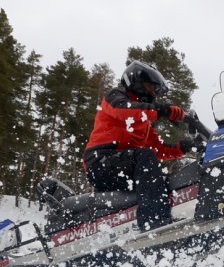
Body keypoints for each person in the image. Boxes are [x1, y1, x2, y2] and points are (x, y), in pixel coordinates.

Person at [83, 60, 194, 231]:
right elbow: (126, 110)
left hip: (122, 164)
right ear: (136, 83)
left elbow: (158, 149)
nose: (153, 92)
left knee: (157, 175)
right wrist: (163, 110)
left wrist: (182, 148)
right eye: (150, 87)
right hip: (100, 162)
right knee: (145, 157)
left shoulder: (144, 121)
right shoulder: (115, 97)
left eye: (155, 89)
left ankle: (150, 221)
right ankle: (154, 222)